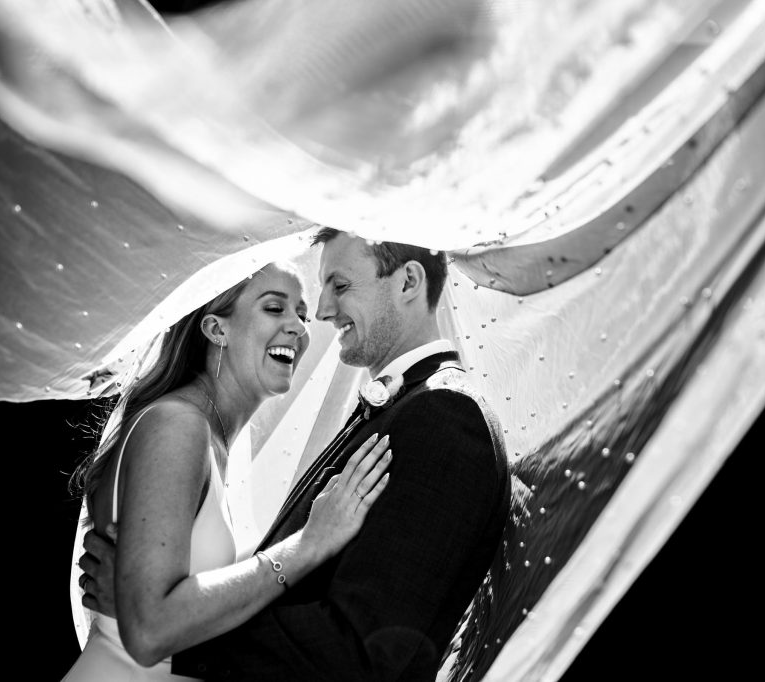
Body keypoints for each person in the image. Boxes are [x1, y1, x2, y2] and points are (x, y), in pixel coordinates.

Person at [83, 228, 512, 680]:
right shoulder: (405, 409)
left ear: (408, 282)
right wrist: (159, 614)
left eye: (339, 285)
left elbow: (367, 652)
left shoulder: (444, 418)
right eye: (278, 307)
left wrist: (166, 626)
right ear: (214, 329)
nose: (321, 314)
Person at [63, 260, 393, 682]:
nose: (298, 327)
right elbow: (148, 630)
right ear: (217, 329)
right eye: (274, 308)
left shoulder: (210, 438)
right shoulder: (177, 426)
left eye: (302, 314)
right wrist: (308, 545)